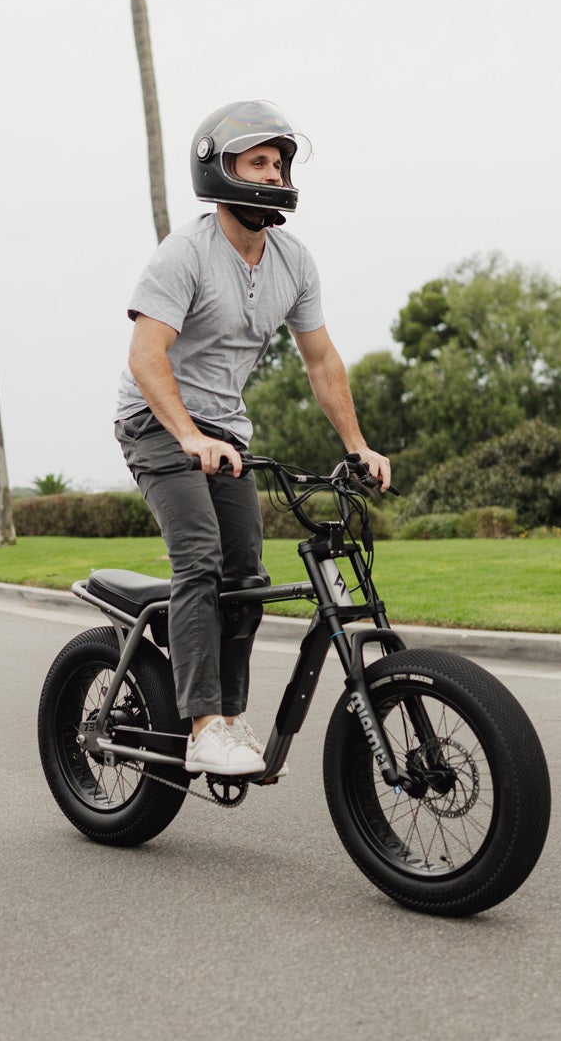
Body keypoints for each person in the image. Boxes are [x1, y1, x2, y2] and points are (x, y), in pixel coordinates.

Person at [114, 101, 391, 776]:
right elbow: (146, 357)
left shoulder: (293, 262)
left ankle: (227, 720)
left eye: (277, 163)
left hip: (227, 437)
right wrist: (188, 435)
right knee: (202, 559)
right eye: (257, 163)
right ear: (220, 169)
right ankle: (204, 724)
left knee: (248, 576)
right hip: (158, 422)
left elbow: (321, 360)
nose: (272, 175)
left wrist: (357, 445)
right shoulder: (185, 253)